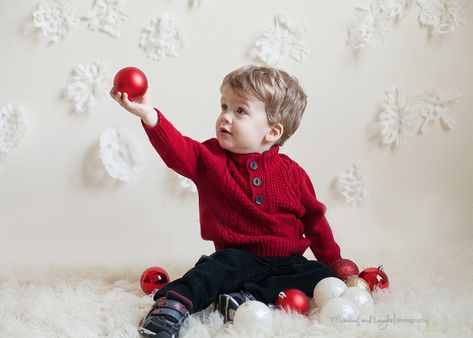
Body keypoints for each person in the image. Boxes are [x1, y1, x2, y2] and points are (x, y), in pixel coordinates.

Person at [110, 65, 343, 338]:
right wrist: (150, 116)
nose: (225, 118)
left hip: (288, 261)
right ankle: (172, 304)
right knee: (212, 272)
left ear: (272, 132)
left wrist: (335, 262)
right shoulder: (210, 159)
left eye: (239, 111)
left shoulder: (293, 173)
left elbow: (314, 220)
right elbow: (177, 150)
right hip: (237, 257)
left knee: (317, 275)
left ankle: (243, 299)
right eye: (223, 107)